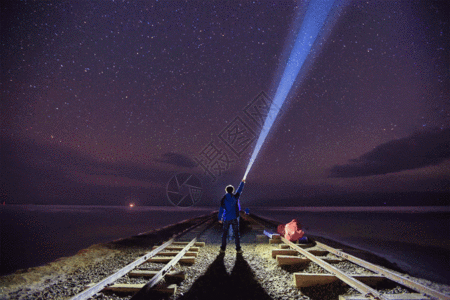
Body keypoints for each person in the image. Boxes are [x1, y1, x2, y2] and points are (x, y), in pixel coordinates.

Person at [218, 179, 245, 253]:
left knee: (224, 234)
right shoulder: (235, 197)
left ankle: (222, 249)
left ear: (226, 190)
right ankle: (238, 249)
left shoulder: (223, 198)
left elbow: (221, 209)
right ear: (232, 190)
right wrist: (242, 182)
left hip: (226, 218)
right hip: (234, 218)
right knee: (236, 234)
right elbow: (240, 190)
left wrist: (220, 218)